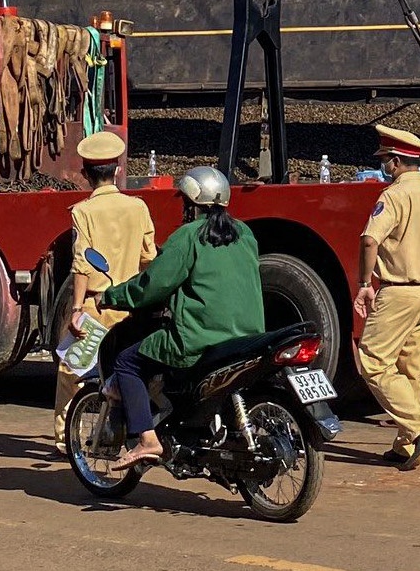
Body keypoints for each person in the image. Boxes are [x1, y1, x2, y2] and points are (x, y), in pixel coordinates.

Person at [87, 165, 263, 472]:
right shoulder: (245, 234)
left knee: (128, 362)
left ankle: (147, 439)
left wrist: (111, 296)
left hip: (199, 337)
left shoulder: (188, 236)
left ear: (192, 203)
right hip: (247, 336)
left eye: (183, 201)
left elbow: (153, 285)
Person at [353, 125, 420, 470]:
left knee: (372, 361)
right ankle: (407, 445)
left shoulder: (393, 196)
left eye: (385, 159)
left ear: (395, 161)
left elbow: (370, 240)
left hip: (399, 292)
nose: (384, 165)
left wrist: (365, 282)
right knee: (410, 367)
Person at [53, 129, 158, 431]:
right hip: (130, 308)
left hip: (95, 309)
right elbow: (149, 257)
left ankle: (64, 438)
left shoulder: (83, 212)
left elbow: (81, 263)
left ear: (85, 174)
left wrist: (75, 310)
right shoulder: (138, 207)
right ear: (118, 171)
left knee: (71, 370)